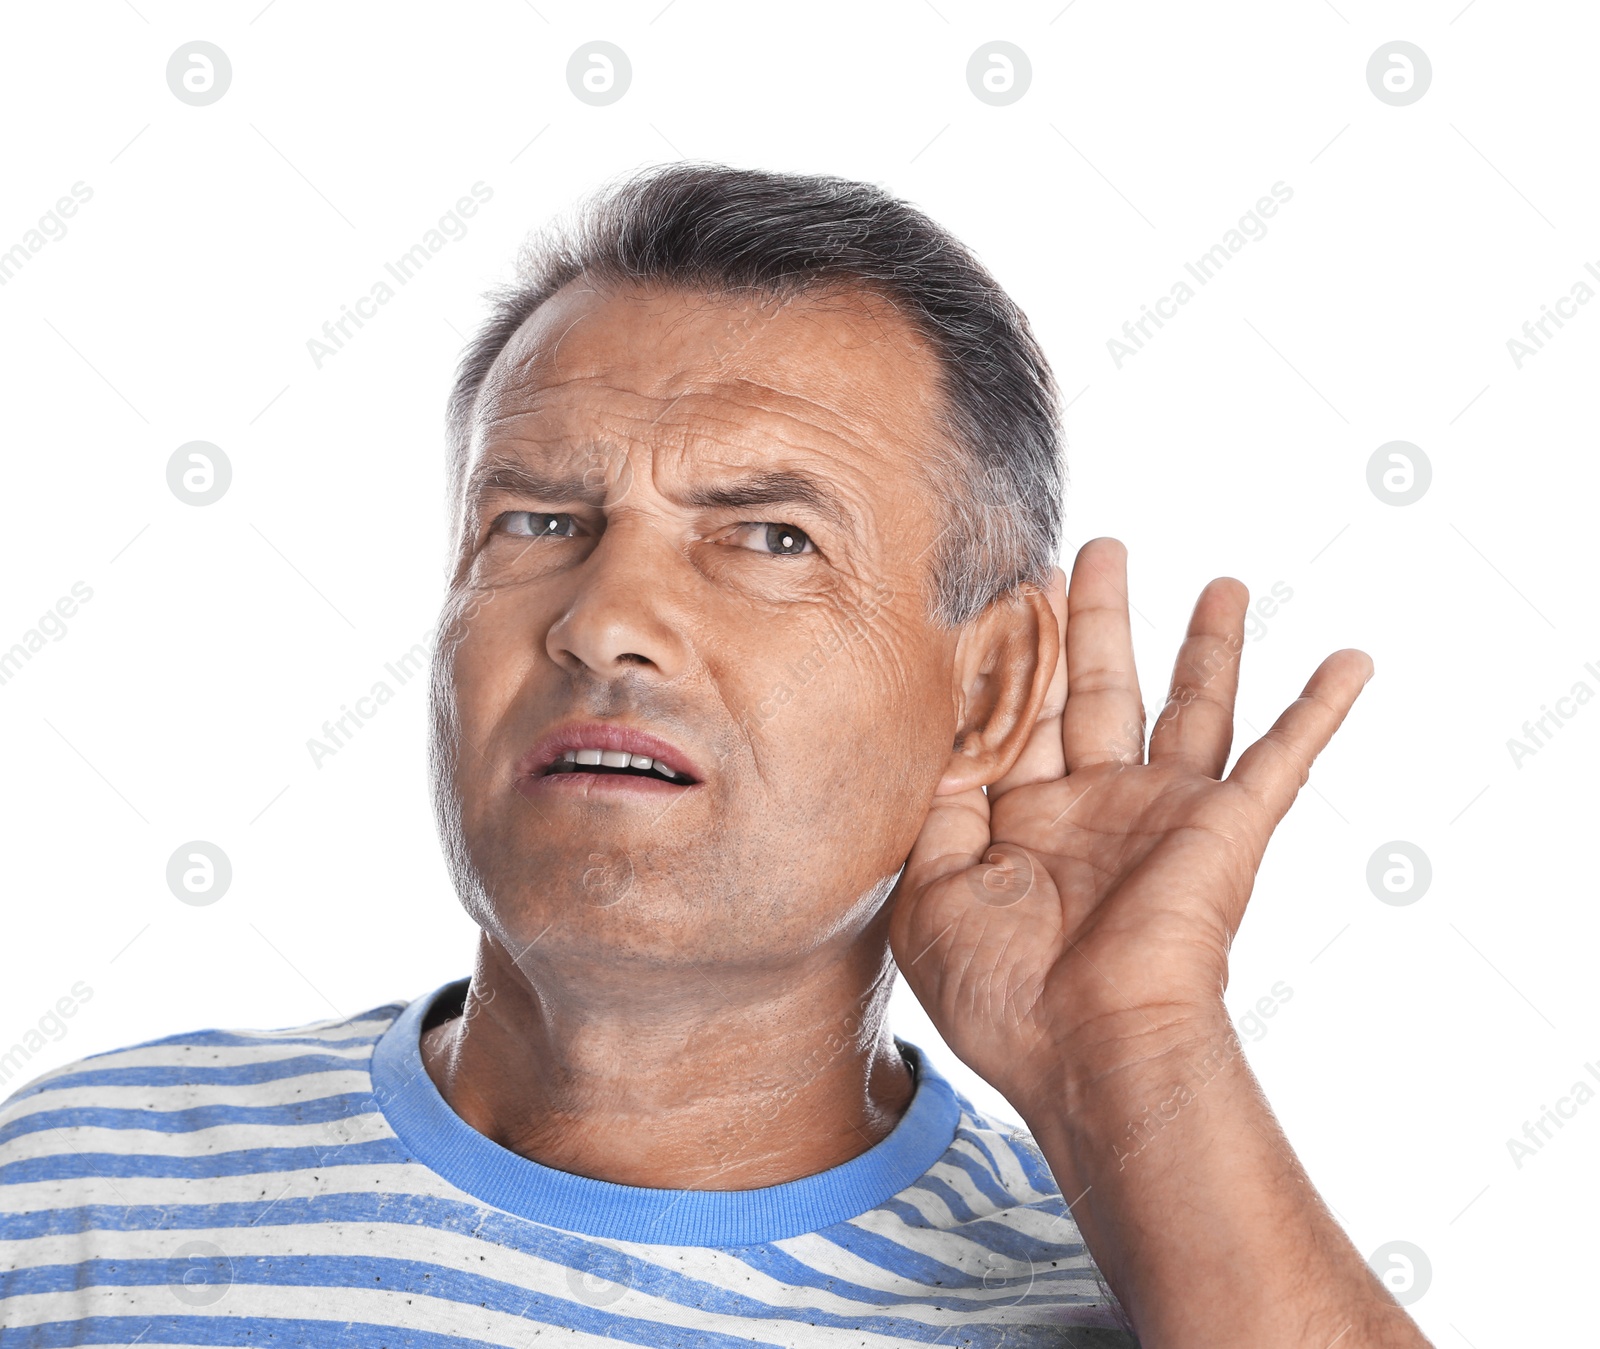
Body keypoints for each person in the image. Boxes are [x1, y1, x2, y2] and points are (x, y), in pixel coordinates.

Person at [0, 164, 1431, 1348]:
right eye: (538, 522)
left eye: (770, 536)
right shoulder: (75, 1194)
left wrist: (1133, 1046)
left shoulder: (1147, 1307)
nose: (608, 620)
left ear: (990, 690)